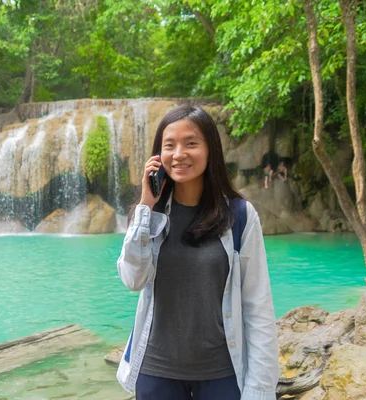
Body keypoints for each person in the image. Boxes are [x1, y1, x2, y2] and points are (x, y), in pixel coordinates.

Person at [116, 105, 280, 400]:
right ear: (158, 155)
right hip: (156, 372)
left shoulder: (239, 215)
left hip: (221, 373)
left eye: (191, 143)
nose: (179, 154)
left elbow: (257, 305)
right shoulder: (147, 215)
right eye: (170, 145)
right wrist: (145, 206)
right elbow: (132, 280)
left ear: (210, 150)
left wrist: (261, 387)